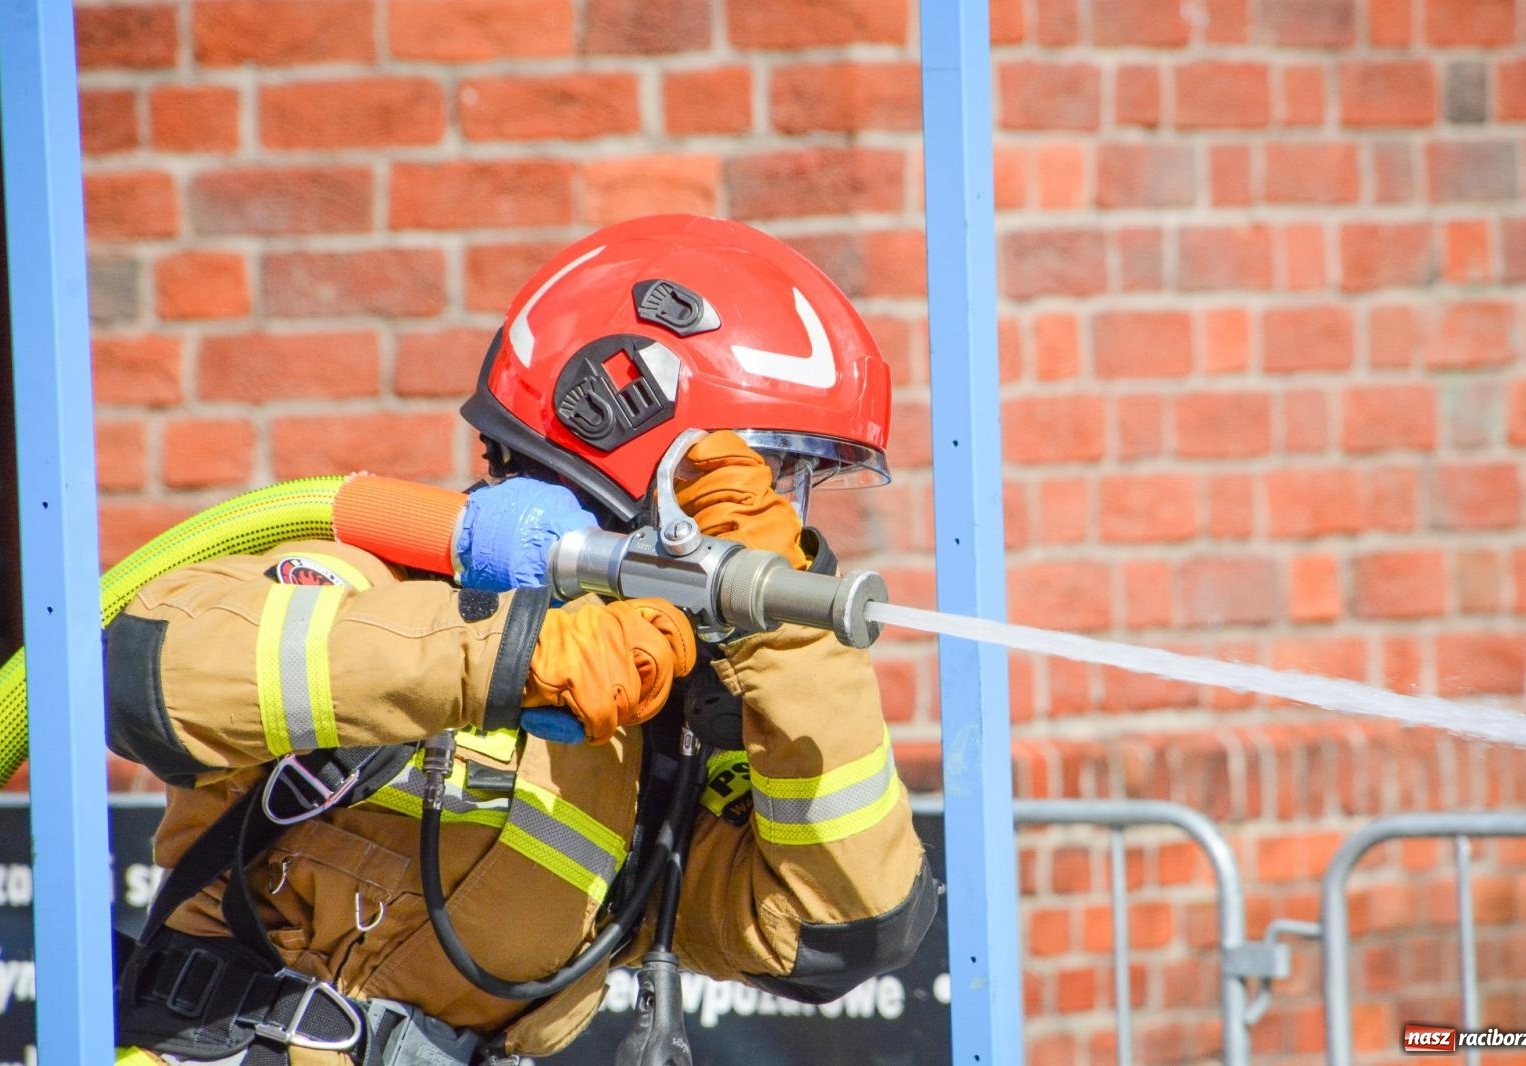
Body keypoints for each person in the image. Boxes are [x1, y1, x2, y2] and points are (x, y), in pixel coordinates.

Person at [106, 215, 938, 1065]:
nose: (778, 516)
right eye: (772, 472)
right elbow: (145, 671)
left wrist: (786, 642)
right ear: (621, 424)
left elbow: (842, 930)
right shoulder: (380, 583)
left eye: (794, 488)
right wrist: (513, 657)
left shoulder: (657, 742)